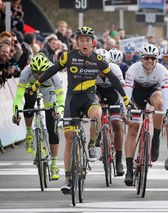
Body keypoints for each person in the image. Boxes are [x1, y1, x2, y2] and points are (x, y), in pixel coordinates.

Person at [27, 26, 129, 194]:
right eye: (81, 40)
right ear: (76, 42)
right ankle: (68, 179)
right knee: (69, 137)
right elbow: (52, 69)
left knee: (97, 114)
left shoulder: (98, 59)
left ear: (92, 43)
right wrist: (36, 84)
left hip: (89, 98)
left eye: (87, 40)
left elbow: (113, 79)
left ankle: (91, 144)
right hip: (72, 100)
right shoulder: (68, 56)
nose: (84, 43)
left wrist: (125, 99)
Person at [123, 43, 168, 186]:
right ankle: (129, 170)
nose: (150, 61)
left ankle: (155, 139)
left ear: (157, 59)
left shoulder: (162, 71)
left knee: (159, 104)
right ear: (141, 59)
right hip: (136, 94)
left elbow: (165, 93)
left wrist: (166, 112)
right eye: (147, 58)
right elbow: (127, 92)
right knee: (133, 129)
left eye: (153, 58)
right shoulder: (133, 69)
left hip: (153, 91)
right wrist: (126, 110)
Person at [12, 53, 65, 180]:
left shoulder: (54, 73)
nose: (38, 76)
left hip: (48, 90)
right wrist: (15, 113)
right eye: (36, 72)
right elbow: (18, 96)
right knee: (29, 102)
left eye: (41, 72)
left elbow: (60, 97)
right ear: (31, 69)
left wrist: (58, 110)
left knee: (52, 126)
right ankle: (29, 133)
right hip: (32, 89)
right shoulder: (26, 72)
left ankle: (54, 165)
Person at [95, 48, 125, 176]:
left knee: (117, 124)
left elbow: (121, 91)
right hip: (98, 93)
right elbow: (89, 91)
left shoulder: (115, 69)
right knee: (96, 113)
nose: (101, 69)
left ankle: (119, 160)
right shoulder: (91, 69)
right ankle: (99, 133)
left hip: (114, 95)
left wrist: (123, 108)